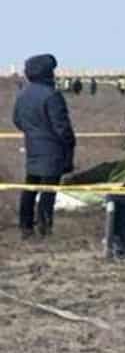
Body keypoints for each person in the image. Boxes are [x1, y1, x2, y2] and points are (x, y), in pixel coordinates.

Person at [13, 54, 75, 240]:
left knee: (30, 188)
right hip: (53, 150)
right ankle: (44, 227)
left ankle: (25, 226)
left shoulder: (23, 94)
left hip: (32, 147)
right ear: (47, 72)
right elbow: (61, 126)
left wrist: (33, 132)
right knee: (48, 191)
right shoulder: (52, 95)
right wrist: (70, 142)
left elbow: (17, 120)